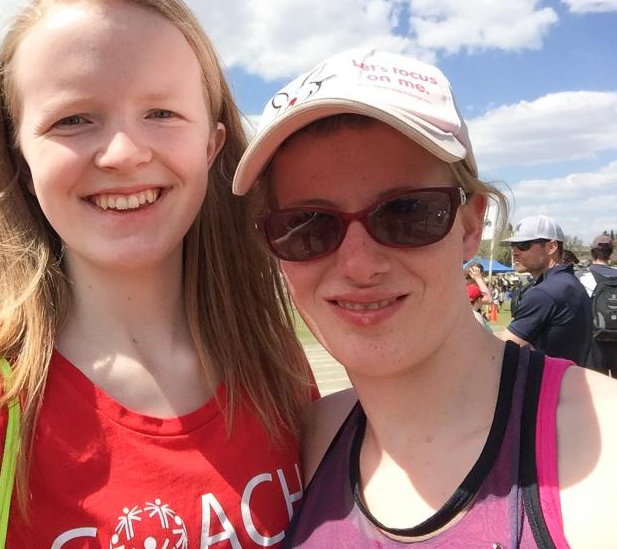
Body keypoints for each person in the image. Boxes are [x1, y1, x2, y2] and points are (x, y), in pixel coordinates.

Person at [0, 0, 313, 547]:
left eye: (161, 113)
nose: (122, 153)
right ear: (21, 157)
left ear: (212, 146)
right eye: (73, 120)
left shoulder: (275, 366)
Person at [232, 48, 617, 547]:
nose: (358, 265)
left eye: (407, 212)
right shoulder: (304, 445)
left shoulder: (601, 451)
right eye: (306, 226)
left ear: (471, 224)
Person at [499, 214, 593, 366]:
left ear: (551, 247)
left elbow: (503, 351)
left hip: (548, 385)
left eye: (523, 244)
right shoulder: (568, 282)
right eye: (513, 245)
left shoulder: (545, 292)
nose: (515, 251)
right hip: (569, 381)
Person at [579, 234, 617, 376]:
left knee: (598, 383)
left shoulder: (583, 277)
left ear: (592, 252)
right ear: (610, 253)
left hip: (595, 339)